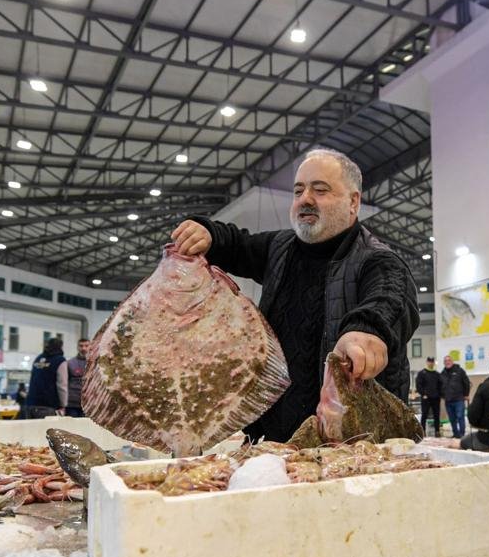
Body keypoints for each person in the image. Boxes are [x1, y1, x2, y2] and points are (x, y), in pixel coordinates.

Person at [170, 148, 419, 443]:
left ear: (353, 202)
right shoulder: (280, 248)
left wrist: (366, 332)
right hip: (274, 445)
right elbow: (237, 244)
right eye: (298, 191)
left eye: (320, 190)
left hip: (352, 448)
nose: (305, 199)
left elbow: (391, 296)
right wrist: (209, 232)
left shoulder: (376, 259)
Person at [23, 337, 69, 419]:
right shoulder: (60, 360)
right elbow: (62, 384)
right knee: (46, 431)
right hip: (47, 405)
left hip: (30, 404)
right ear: (60, 347)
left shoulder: (38, 358)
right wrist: (63, 405)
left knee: (31, 431)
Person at [439, 356, 471, 438]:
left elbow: (466, 382)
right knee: (452, 419)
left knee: (460, 417)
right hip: (448, 401)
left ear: (452, 361)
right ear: (444, 363)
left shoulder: (459, 371)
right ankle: (456, 434)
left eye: (449, 360)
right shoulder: (442, 374)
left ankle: (462, 434)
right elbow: (439, 386)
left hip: (459, 399)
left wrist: (466, 394)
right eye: (445, 361)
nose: (447, 362)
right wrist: (443, 395)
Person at [65, 338, 93, 417]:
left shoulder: (95, 364)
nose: (83, 348)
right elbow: (64, 383)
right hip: (72, 404)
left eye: (86, 346)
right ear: (77, 347)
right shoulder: (70, 363)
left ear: (90, 347)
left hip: (89, 404)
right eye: (81, 346)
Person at [416, 357, 443, 436]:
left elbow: (441, 385)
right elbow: (418, 385)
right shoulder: (422, 373)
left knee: (436, 415)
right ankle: (422, 431)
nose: (431, 363)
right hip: (426, 398)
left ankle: (437, 431)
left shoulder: (437, 374)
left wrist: (440, 395)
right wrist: (423, 394)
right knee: (424, 414)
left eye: (432, 362)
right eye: (429, 362)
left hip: (436, 398)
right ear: (427, 362)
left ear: (434, 363)